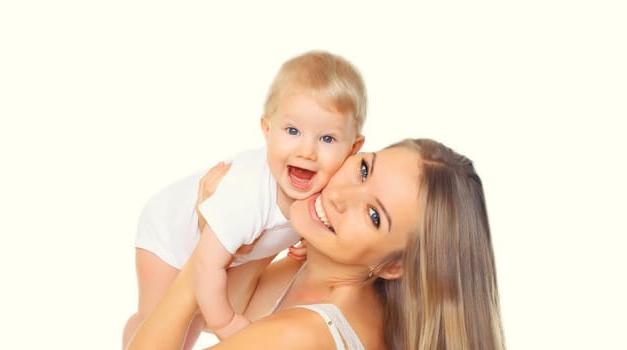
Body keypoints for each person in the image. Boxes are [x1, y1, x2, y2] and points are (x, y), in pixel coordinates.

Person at [127, 138, 506, 350]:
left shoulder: (303, 334)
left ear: (393, 266)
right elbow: (220, 314)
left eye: (374, 215)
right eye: (364, 169)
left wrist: (208, 246)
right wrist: (242, 236)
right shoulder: (318, 271)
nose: (342, 194)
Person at [122, 51, 367, 348]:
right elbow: (206, 266)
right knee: (163, 321)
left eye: (327, 139)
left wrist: (308, 239)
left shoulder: (329, 190)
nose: (307, 151)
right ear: (267, 129)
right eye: (292, 131)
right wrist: (225, 323)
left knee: (195, 318)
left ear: (353, 148)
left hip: (226, 251)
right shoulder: (246, 196)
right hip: (168, 234)